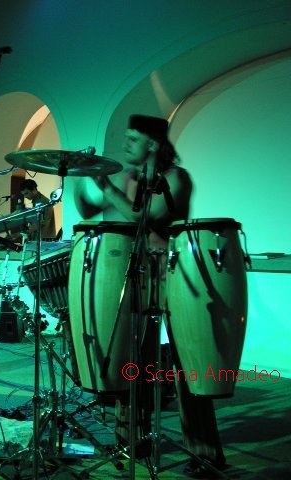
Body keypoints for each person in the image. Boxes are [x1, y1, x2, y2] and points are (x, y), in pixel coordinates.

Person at [76, 115, 226, 477]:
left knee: (187, 363)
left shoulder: (176, 178)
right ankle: (131, 441)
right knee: (132, 360)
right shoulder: (128, 178)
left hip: (173, 275)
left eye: (133, 139)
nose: (126, 144)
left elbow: (147, 218)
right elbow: (89, 210)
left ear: (153, 144)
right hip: (136, 274)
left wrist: (106, 187)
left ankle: (205, 453)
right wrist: (82, 176)